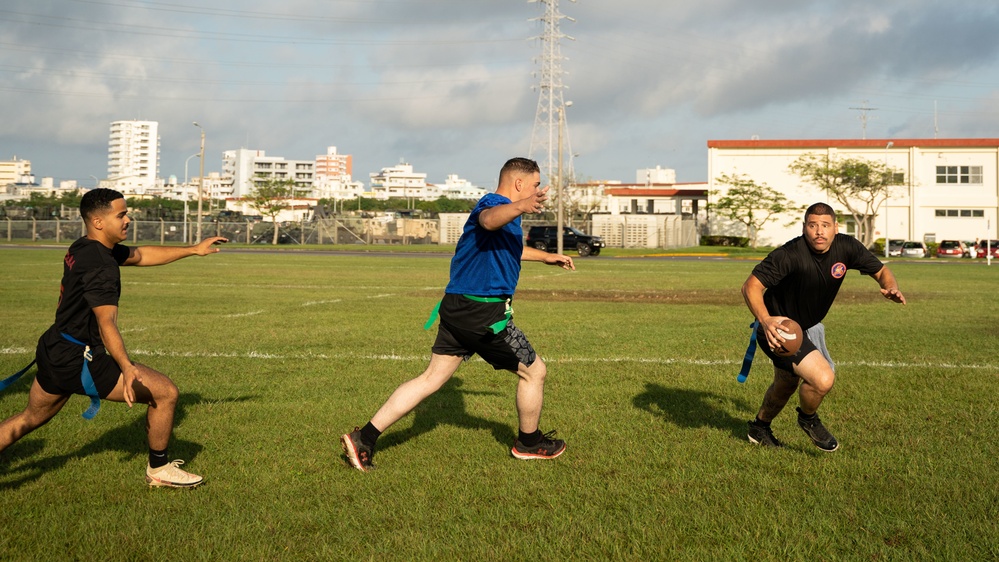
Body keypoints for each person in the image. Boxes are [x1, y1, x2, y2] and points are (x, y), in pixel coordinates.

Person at [341, 157, 575, 472]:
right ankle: (529, 443)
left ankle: (364, 438)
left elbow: (506, 246)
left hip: (458, 307)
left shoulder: (509, 213)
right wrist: (522, 205)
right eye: (534, 185)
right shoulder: (494, 204)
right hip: (482, 312)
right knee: (534, 372)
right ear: (519, 183)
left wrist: (546, 257)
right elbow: (489, 220)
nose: (536, 191)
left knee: (431, 379)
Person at [0, 188, 227, 487]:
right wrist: (126, 365)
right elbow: (107, 322)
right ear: (98, 222)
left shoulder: (85, 247)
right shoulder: (101, 266)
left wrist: (193, 249)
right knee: (166, 393)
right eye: (121, 215)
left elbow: (141, 254)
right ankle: (159, 470)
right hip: (78, 358)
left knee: (29, 417)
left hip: (55, 347)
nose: (128, 219)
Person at [741, 202, 906, 452]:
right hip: (780, 329)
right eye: (813, 225)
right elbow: (750, 286)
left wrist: (891, 286)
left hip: (810, 326)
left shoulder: (847, 247)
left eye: (825, 225)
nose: (819, 231)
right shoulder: (789, 254)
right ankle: (808, 419)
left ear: (836, 228)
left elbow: (882, 271)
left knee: (786, 383)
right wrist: (766, 320)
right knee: (822, 379)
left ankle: (759, 427)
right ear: (804, 228)